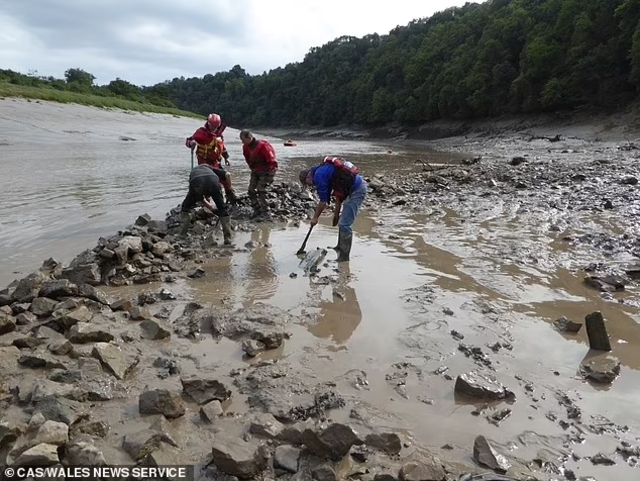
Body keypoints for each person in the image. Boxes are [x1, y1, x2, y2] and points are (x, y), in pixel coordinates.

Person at [299, 156, 367, 262]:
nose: (310, 186)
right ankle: (339, 247)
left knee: (345, 224)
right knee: (342, 222)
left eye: (308, 184)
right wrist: (336, 215)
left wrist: (315, 218)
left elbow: (323, 201)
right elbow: (338, 193)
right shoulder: (322, 170)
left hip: (357, 190)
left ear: (308, 177)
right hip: (353, 188)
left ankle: (344, 258)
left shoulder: (319, 176)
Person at [185, 113, 237, 204]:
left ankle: (230, 196)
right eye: (212, 126)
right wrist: (191, 143)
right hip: (204, 163)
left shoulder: (219, 135)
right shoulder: (201, 133)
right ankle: (206, 203)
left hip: (216, 162)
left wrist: (226, 158)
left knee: (226, 178)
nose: (214, 128)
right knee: (208, 182)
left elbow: (222, 147)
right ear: (208, 124)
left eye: (216, 126)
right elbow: (189, 141)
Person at [179, 164, 233, 245]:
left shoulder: (194, 172)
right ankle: (227, 238)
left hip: (197, 182)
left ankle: (182, 235)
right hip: (213, 181)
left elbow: (199, 197)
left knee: (186, 207)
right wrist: (228, 191)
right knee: (222, 209)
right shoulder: (210, 168)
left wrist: (210, 208)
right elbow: (227, 175)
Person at [240, 129, 278, 218]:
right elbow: (247, 159)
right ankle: (257, 210)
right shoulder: (245, 147)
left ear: (249, 138)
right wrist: (252, 168)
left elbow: (272, 161)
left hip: (266, 171)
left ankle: (266, 211)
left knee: (261, 189)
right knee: (251, 190)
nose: (242, 142)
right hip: (255, 170)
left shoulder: (263, 146)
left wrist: (270, 173)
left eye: (243, 140)